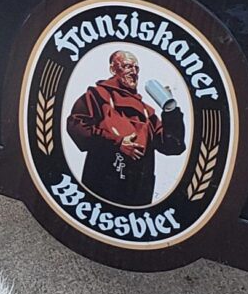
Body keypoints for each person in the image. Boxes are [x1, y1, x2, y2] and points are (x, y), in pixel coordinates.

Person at [64, 50, 186, 206]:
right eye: (128, 66)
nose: (134, 72)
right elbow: (76, 127)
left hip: (139, 191)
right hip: (103, 185)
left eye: (137, 68)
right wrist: (117, 143)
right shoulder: (98, 96)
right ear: (113, 69)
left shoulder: (146, 111)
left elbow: (173, 146)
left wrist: (171, 113)